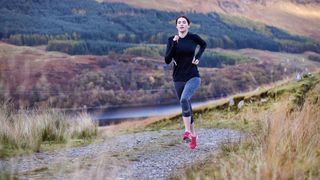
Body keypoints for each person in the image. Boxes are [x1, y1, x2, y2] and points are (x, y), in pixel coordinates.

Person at [164, 15, 207, 149]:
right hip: (178, 78)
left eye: (184, 22)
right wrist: (174, 44)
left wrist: (198, 57)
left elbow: (204, 44)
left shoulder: (193, 37)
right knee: (186, 105)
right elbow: (167, 59)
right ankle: (194, 136)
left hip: (193, 76)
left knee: (184, 100)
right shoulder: (171, 40)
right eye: (179, 22)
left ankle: (187, 131)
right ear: (176, 26)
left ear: (188, 25)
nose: (181, 24)